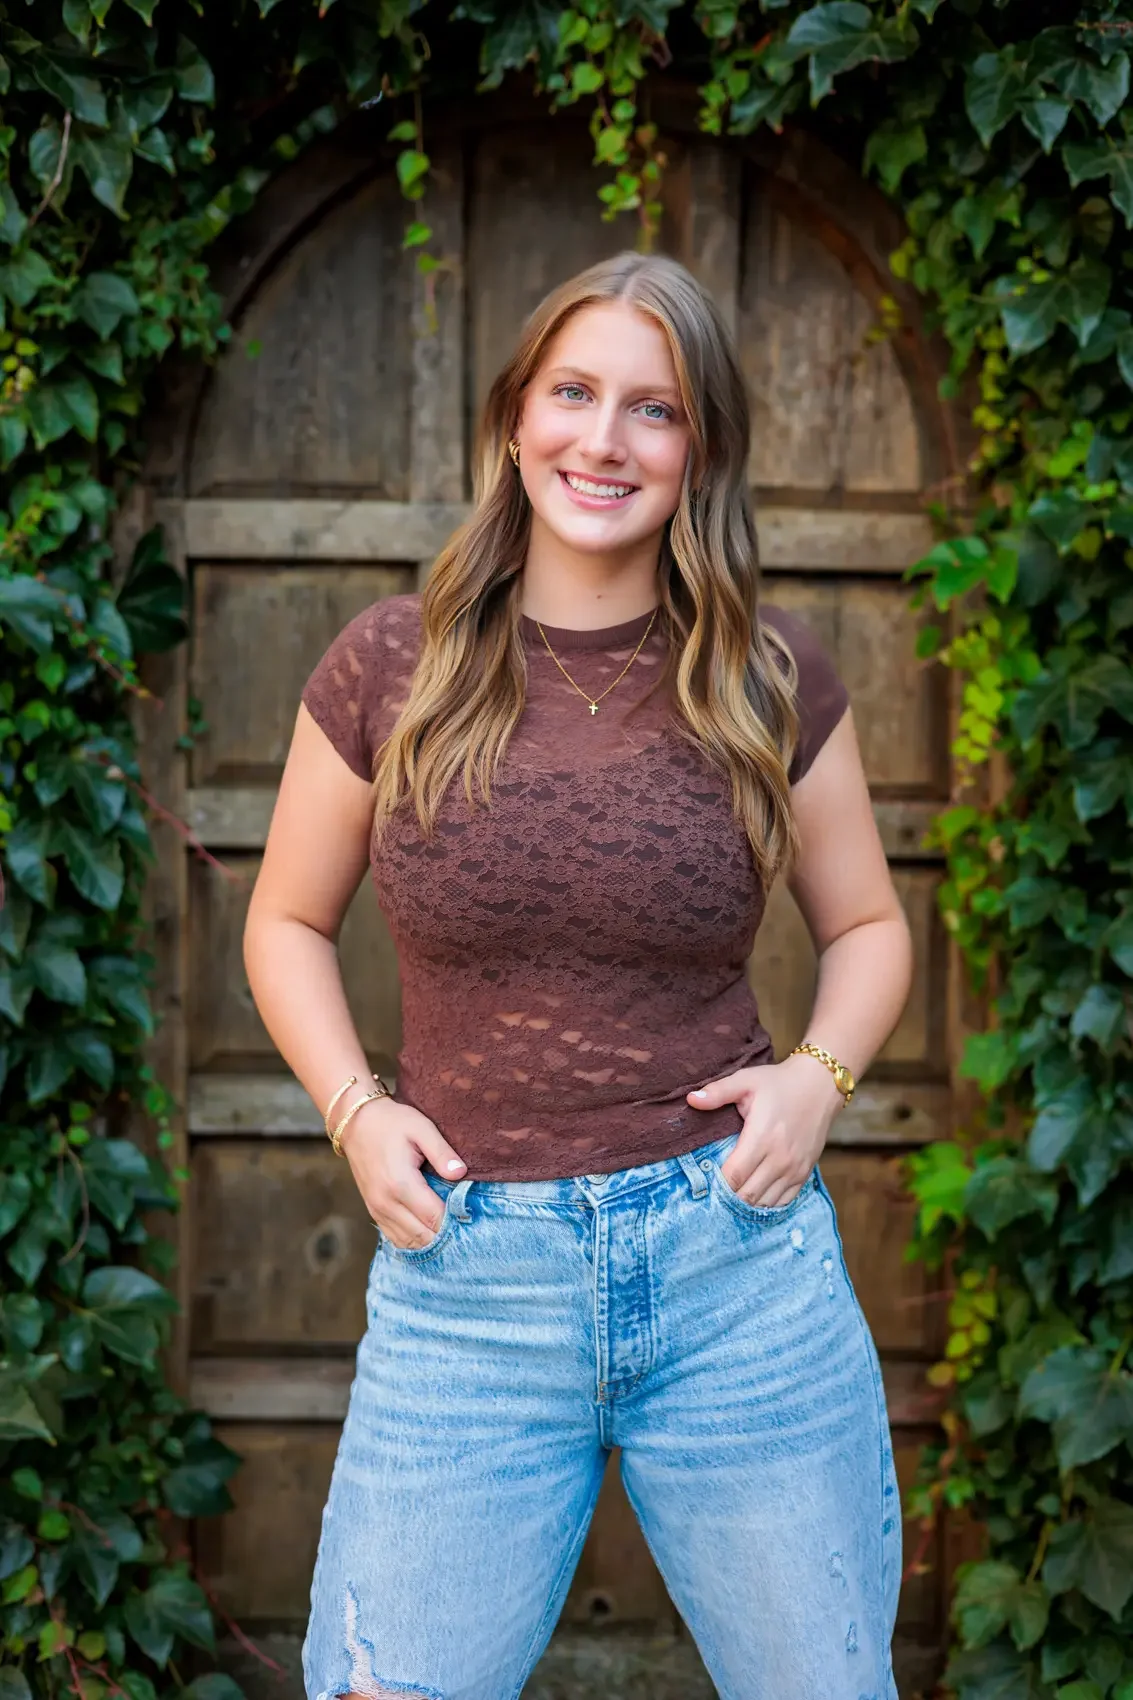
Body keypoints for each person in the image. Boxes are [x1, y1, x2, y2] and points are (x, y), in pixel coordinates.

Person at [243, 251, 913, 1700]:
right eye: (573, 393)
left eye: (652, 410)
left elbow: (869, 930)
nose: (603, 442)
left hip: (735, 1264)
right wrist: (358, 1110)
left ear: (702, 449)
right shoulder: (392, 667)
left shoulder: (766, 676)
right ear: (513, 418)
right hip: (468, 1280)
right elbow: (284, 922)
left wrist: (819, 1082)